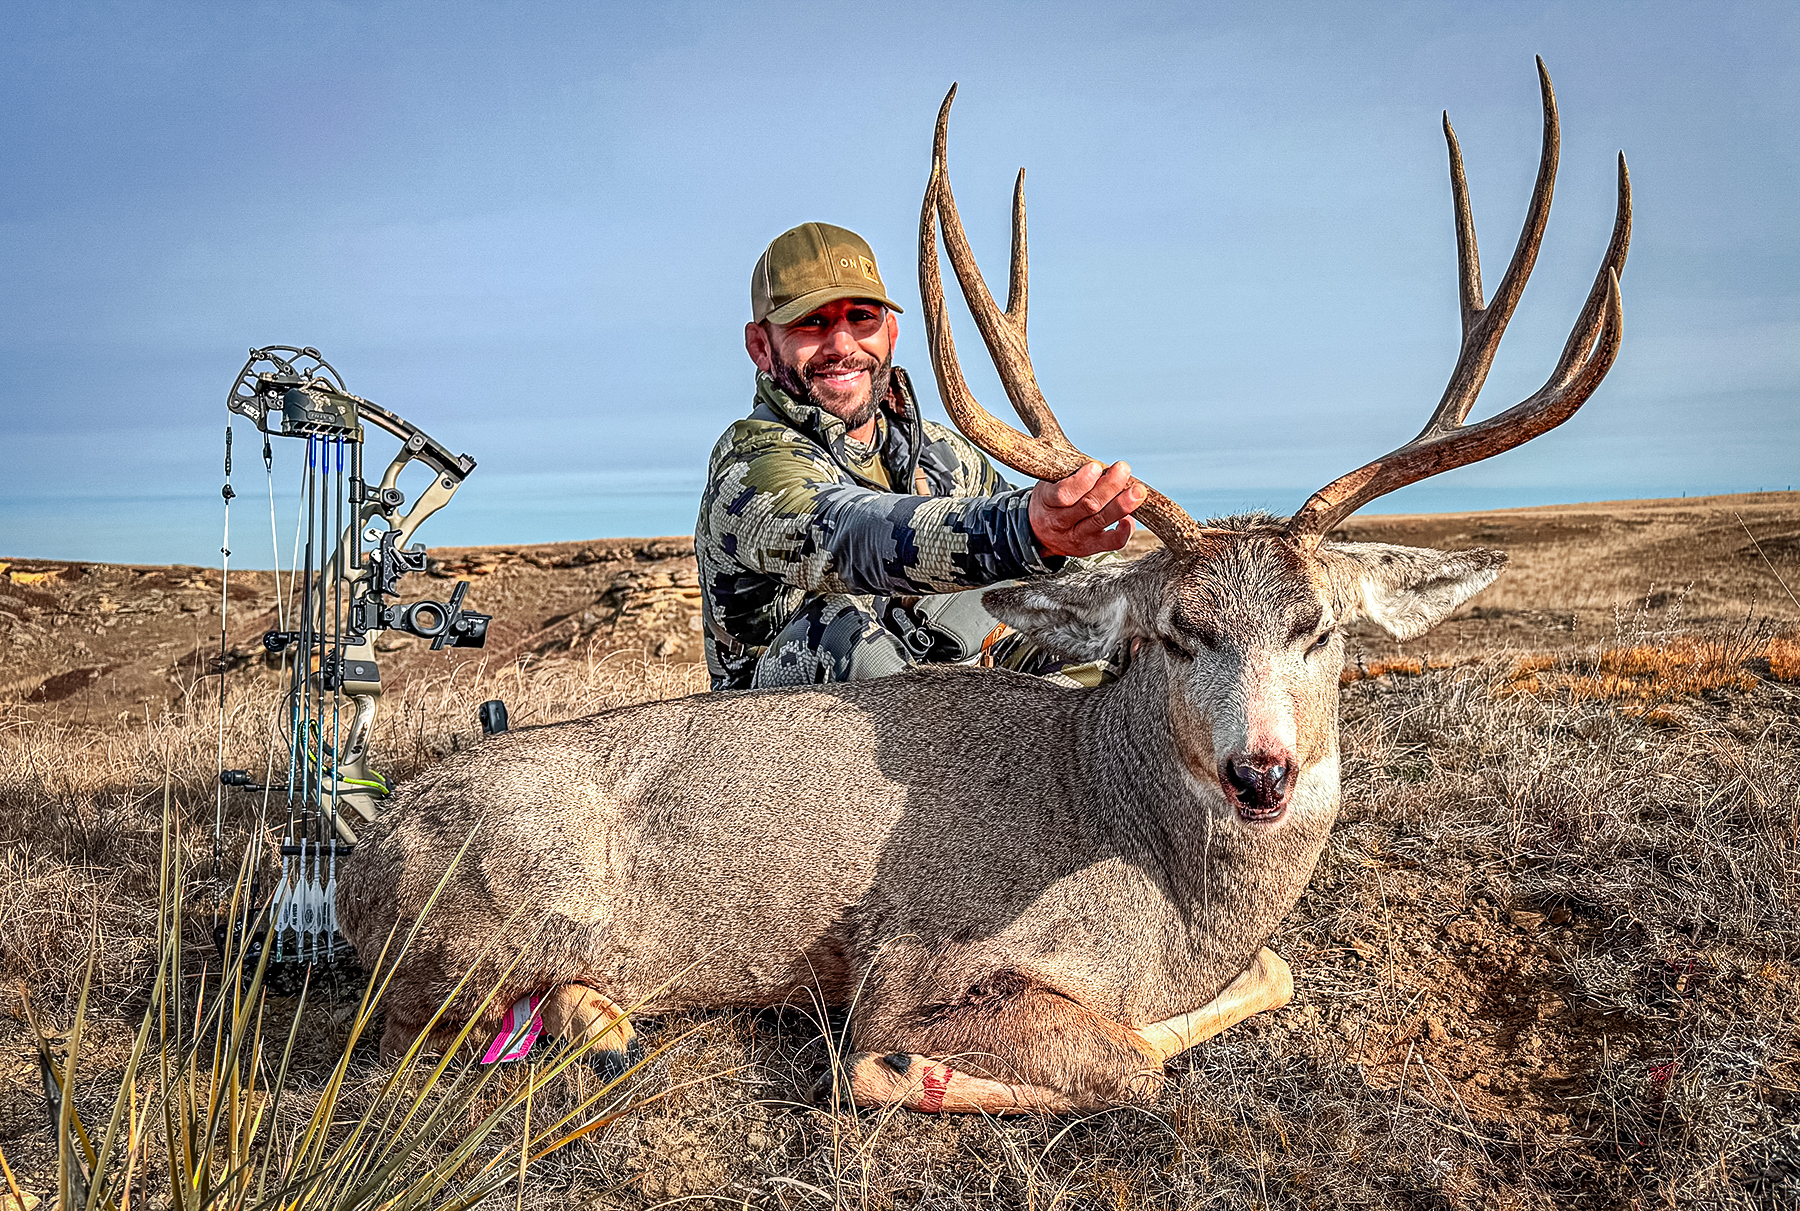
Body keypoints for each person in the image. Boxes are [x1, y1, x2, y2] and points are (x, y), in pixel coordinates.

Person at [695, 221, 1144, 691]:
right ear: (760, 347)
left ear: (890, 330)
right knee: (833, 628)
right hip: (780, 731)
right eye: (812, 322)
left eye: (861, 318)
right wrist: (1023, 529)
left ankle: (1065, 747)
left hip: (932, 688)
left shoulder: (940, 453)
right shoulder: (750, 469)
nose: (842, 346)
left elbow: (1056, 559)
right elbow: (852, 534)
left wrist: (1125, 596)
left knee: (1078, 622)